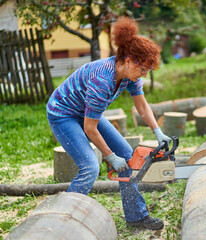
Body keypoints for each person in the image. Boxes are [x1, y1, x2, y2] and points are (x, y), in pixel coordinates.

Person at [46, 17, 171, 230]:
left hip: (85, 111)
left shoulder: (130, 76)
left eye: (148, 71)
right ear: (129, 60)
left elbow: (141, 106)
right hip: (63, 113)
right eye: (143, 69)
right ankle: (60, 220)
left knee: (127, 156)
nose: (144, 74)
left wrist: (157, 131)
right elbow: (90, 128)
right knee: (90, 167)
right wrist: (110, 157)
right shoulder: (102, 81)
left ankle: (136, 217)